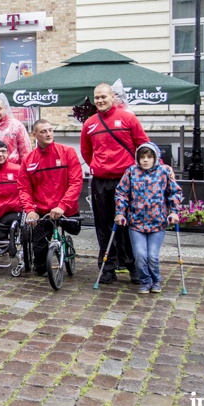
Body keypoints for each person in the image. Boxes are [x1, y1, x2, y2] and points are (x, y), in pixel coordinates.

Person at [81, 82, 151, 284]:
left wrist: (161, 169)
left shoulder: (128, 118)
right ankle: (107, 266)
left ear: (113, 97)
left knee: (129, 224)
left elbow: (144, 145)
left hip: (127, 180)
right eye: (96, 98)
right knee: (103, 226)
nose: (100, 100)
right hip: (101, 182)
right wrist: (97, 165)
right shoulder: (90, 124)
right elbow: (86, 151)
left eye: (103, 96)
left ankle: (133, 266)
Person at [114, 142, 182, 294]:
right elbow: (121, 193)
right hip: (136, 223)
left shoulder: (164, 172)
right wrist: (120, 212)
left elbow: (175, 192)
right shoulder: (131, 172)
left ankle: (156, 280)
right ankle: (145, 281)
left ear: (155, 158)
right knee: (139, 256)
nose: (145, 160)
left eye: (149, 157)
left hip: (157, 223)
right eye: (142, 157)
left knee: (152, 256)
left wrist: (174, 211)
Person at [18, 119, 84, 275]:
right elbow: (24, 188)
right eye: (43, 131)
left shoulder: (68, 152)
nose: (48, 134)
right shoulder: (28, 160)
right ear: (34, 135)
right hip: (43, 211)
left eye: (50, 130)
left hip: (65, 208)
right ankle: (43, 264)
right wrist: (29, 210)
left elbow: (76, 182)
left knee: (74, 229)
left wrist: (63, 206)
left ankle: (66, 247)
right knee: (39, 257)